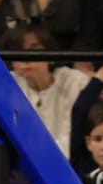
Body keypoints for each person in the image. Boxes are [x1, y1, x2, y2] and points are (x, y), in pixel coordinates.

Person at [9, 25, 92, 153]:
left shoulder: (75, 82)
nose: (25, 58)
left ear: (49, 52)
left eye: (33, 49)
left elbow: (72, 138)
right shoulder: (8, 83)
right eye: (18, 50)